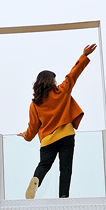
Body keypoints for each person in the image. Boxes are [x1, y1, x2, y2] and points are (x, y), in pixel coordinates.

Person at [18, 43, 97, 199]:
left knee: (44, 165)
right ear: (52, 81)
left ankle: (36, 179)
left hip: (47, 140)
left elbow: (33, 127)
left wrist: (25, 136)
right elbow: (73, 75)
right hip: (66, 135)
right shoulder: (62, 90)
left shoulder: (35, 104)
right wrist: (84, 55)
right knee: (65, 167)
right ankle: (63, 196)